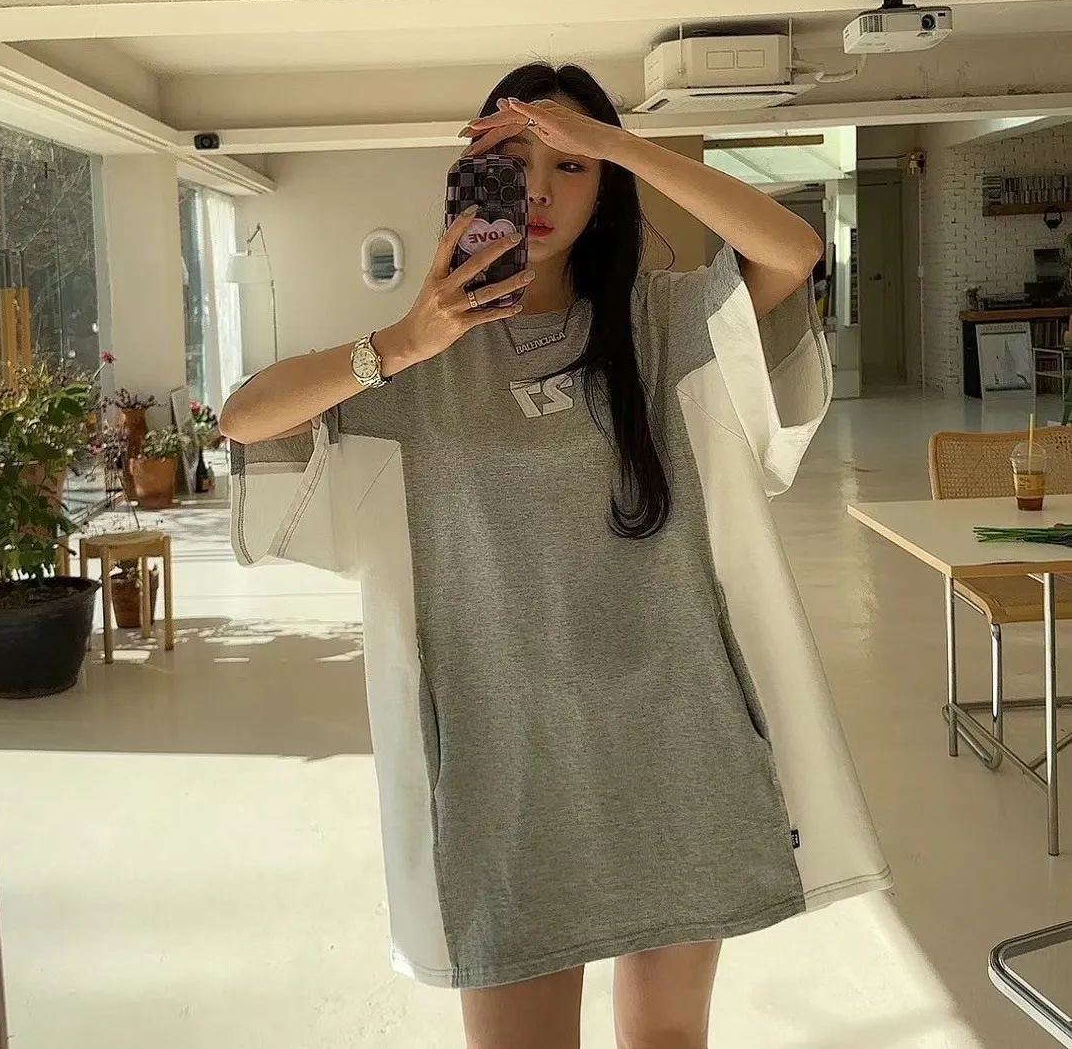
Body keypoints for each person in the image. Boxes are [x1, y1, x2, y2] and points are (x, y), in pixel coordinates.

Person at [222, 63, 890, 1049]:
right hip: (505, 763)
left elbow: (790, 250)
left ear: (606, 185)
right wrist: (401, 342)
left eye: (569, 166)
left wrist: (617, 143)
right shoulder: (416, 360)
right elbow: (244, 419)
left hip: (676, 734)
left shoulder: (661, 323)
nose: (538, 189)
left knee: (667, 1039)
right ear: (467, 178)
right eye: (513, 162)